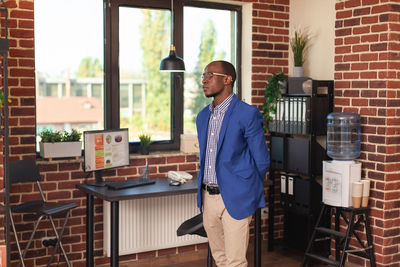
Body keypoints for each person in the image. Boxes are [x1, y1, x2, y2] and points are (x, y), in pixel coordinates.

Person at [196, 60, 270, 267]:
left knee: (235, 262)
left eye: (210, 75)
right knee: (219, 259)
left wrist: (246, 188)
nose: (204, 80)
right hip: (208, 198)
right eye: (203, 76)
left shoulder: (247, 114)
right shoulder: (202, 117)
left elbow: (262, 159)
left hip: (236, 197)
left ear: (228, 79)